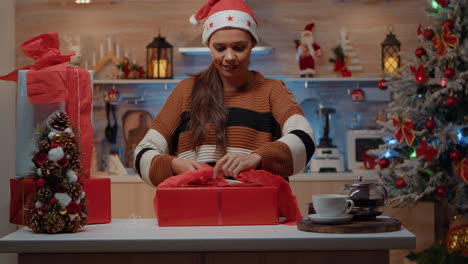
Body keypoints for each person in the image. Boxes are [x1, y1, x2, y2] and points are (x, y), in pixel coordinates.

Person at [135, 0, 316, 187]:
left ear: (253, 43)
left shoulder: (272, 90)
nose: (229, 57)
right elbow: (143, 152)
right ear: (209, 46)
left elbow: (304, 137)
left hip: (257, 211)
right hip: (196, 211)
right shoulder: (186, 91)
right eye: (220, 48)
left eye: (239, 47)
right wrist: (173, 164)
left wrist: (257, 158)